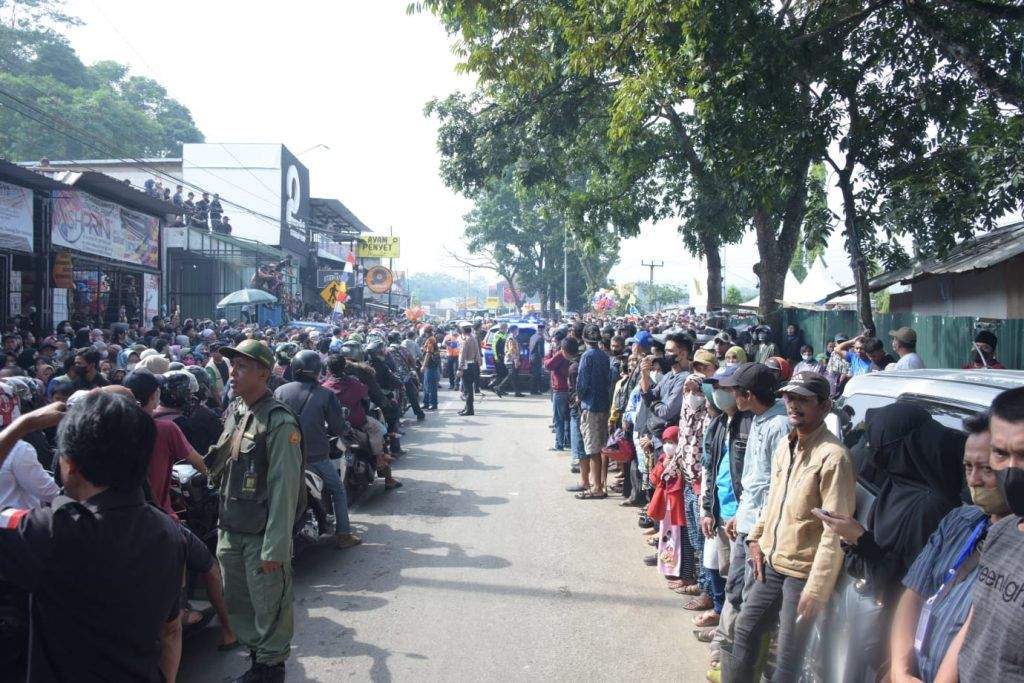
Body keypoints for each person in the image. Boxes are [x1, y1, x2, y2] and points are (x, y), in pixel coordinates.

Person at [0, 394, 186, 681]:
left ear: (70, 464)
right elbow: (171, 630)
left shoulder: (52, 534)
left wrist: (22, 425)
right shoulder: (167, 531)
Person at [813, 402, 967, 681]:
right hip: (869, 613)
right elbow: (877, 554)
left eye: (882, 449)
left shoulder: (931, 507)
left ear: (905, 449)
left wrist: (861, 539)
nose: (873, 456)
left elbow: (907, 581)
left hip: (894, 629)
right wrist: (854, 540)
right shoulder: (897, 484)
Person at [724, 371, 857, 682]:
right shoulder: (787, 444)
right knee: (746, 629)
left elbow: (834, 532)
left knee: (788, 657)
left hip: (802, 573)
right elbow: (775, 500)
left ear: (824, 406)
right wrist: (757, 537)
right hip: (772, 561)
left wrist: (817, 588)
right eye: (790, 397)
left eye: (803, 400)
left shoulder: (834, 457)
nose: (793, 405)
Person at [207, 339, 304, 682]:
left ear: (264, 373)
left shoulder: (278, 422)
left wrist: (275, 548)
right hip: (232, 527)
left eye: (243, 366)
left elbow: (285, 487)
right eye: (232, 365)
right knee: (239, 605)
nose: (233, 372)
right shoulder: (237, 410)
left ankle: (269, 669)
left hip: (261, 534)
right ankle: (257, 663)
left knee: (269, 608)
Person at [887, 412, 1008, 683]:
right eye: (967, 467)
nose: (974, 480)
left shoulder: (1016, 550)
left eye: (986, 468)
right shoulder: (959, 521)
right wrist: (900, 670)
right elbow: (914, 593)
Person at [937, 387, 1024, 682]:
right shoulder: (1002, 533)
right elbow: (975, 628)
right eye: (1000, 453)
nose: (1011, 470)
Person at [708, 362, 789, 663]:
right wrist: (740, 515)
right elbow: (753, 479)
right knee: (736, 587)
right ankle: (732, 649)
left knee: (755, 598)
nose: (729, 395)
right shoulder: (757, 419)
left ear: (748, 394)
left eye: (734, 390)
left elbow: (776, 486)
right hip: (747, 519)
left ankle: (750, 658)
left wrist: (758, 533)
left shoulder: (779, 426)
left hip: (761, 528)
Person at [275, 350, 361, 549]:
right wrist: (345, 427)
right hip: (315, 456)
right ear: (317, 370)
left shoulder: (280, 391)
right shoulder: (325, 394)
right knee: (338, 490)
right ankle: (343, 534)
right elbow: (337, 426)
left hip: (285, 455)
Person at [697, 364, 752, 630]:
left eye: (725, 387)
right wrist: (708, 509)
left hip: (739, 516)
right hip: (721, 510)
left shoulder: (750, 424)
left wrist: (742, 513)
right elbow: (710, 469)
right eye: (716, 387)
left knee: (738, 580)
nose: (718, 392)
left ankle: (730, 634)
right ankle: (724, 626)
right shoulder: (719, 424)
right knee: (723, 570)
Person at [575, 324, 612, 498]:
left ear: (584, 339)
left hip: (591, 405)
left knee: (593, 448)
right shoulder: (605, 356)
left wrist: (578, 397)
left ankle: (597, 487)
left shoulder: (587, 356)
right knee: (601, 446)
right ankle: (600, 483)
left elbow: (582, 382)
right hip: (604, 404)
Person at [545, 336, 573, 451]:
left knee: (559, 419)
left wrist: (548, 355)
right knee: (567, 417)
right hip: (568, 388)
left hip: (560, 389)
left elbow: (548, 365)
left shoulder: (561, 353)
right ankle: (566, 441)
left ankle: (559, 444)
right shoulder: (571, 353)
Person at [457, 323, 481, 416]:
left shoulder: (466, 341)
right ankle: (467, 408)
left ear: (463, 331)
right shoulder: (473, 338)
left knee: (467, 390)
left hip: (467, 365)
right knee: (469, 389)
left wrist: (460, 368)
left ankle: (469, 410)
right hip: (473, 364)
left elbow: (463, 356)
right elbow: (478, 352)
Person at [495, 325, 523, 397]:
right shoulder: (511, 339)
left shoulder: (513, 338)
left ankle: (517, 392)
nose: (518, 331)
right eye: (517, 330)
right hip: (510, 360)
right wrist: (516, 360)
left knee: (515, 376)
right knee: (511, 375)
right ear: (514, 330)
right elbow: (511, 350)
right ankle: (499, 387)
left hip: (512, 359)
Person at [420, 333, 441, 410]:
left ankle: (433, 404)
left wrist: (423, 365)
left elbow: (428, 354)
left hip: (431, 366)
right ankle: (426, 403)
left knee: (431, 386)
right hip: (429, 366)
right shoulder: (430, 339)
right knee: (426, 386)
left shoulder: (430, 340)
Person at [528, 323, 546, 394]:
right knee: (537, 375)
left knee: (534, 374)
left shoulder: (533, 336)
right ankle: (534, 390)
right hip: (537, 358)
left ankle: (533, 389)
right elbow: (540, 350)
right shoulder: (540, 338)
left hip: (532, 357)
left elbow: (530, 347)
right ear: (542, 330)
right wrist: (543, 359)